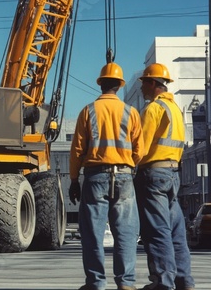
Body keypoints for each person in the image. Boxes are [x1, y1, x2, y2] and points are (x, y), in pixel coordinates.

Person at [69, 62, 144, 290]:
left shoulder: (88, 111)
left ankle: (96, 283)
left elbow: (77, 150)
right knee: (126, 234)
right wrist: (127, 167)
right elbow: (139, 150)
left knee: (92, 233)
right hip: (123, 176)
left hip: (95, 177)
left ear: (101, 84)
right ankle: (126, 283)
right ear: (120, 86)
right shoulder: (131, 113)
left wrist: (74, 180)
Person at [135, 63, 195, 290]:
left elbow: (141, 147)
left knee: (156, 230)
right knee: (176, 232)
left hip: (154, 174)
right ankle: (184, 280)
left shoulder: (153, 109)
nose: (141, 88)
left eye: (144, 83)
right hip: (172, 174)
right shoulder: (175, 110)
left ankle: (162, 282)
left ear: (153, 83)